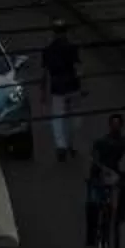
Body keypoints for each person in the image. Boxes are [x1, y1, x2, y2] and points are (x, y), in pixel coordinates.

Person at [84, 112, 125, 248]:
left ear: (121, 126)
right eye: (113, 124)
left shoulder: (124, 144)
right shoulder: (100, 142)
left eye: (118, 124)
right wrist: (102, 169)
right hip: (99, 175)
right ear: (109, 126)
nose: (115, 127)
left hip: (115, 175)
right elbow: (93, 158)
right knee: (92, 206)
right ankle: (92, 237)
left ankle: (121, 213)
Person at [41, 21, 84, 161]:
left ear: (54, 33)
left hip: (58, 88)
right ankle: (70, 144)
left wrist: (43, 92)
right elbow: (78, 69)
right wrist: (83, 87)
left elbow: (44, 73)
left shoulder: (48, 50)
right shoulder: (72, 48)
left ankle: (62, 146)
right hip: (73, 87)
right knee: (74, 118)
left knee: (58, 118)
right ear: (66, 32)